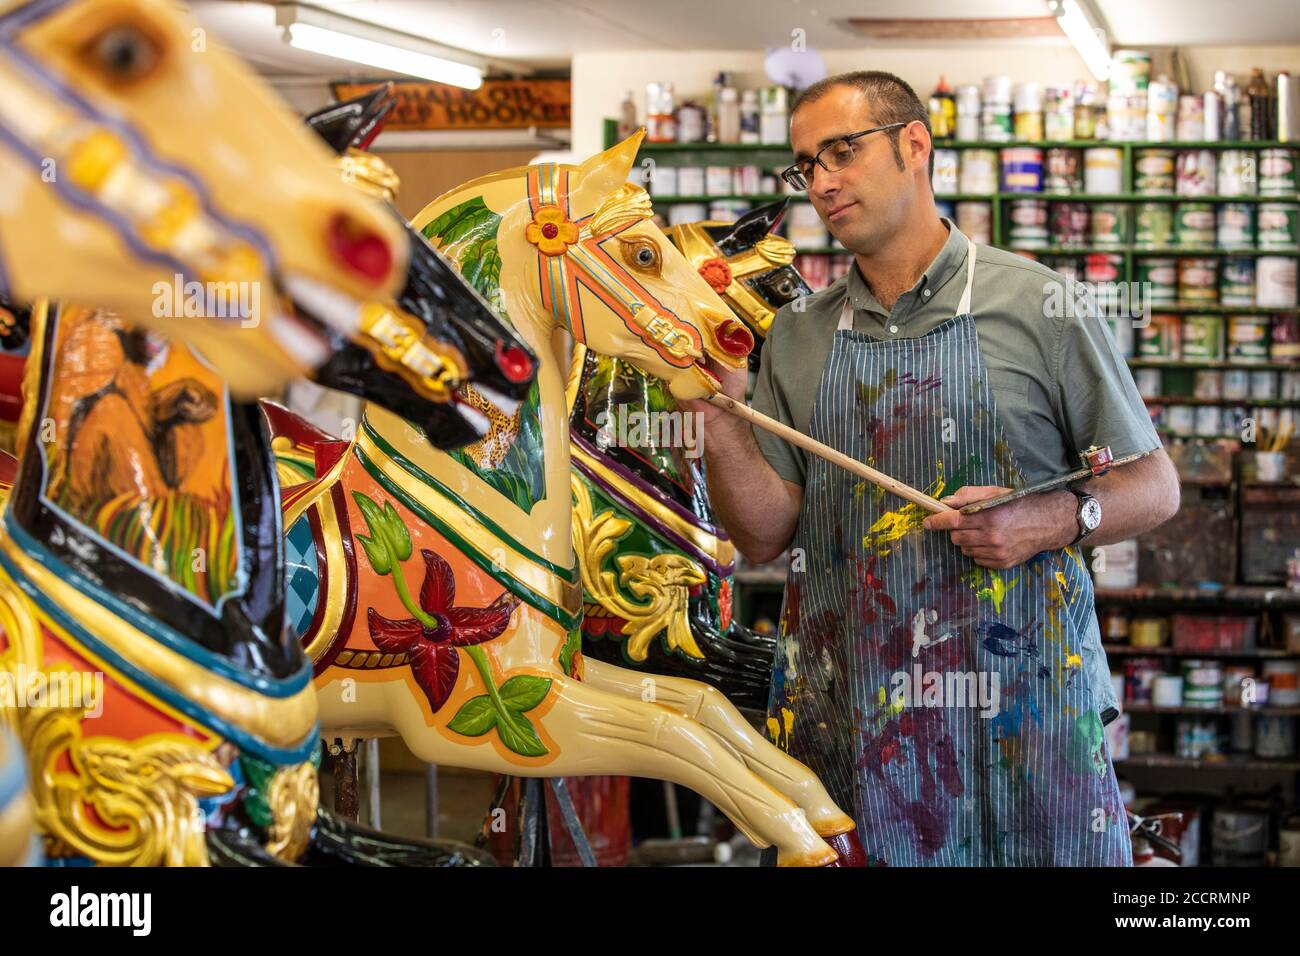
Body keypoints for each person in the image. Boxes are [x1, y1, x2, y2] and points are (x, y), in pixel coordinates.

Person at [684, 71, 1179, 866]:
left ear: (916, 143)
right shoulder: (797, 334)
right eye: (805, 165)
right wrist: (718, 418)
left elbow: (1155, 485)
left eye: (842, 150)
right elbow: (767, 533)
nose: (822, 180)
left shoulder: (1039, 305)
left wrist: (1049, 520)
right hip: (851, 720)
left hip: (1024, 719)